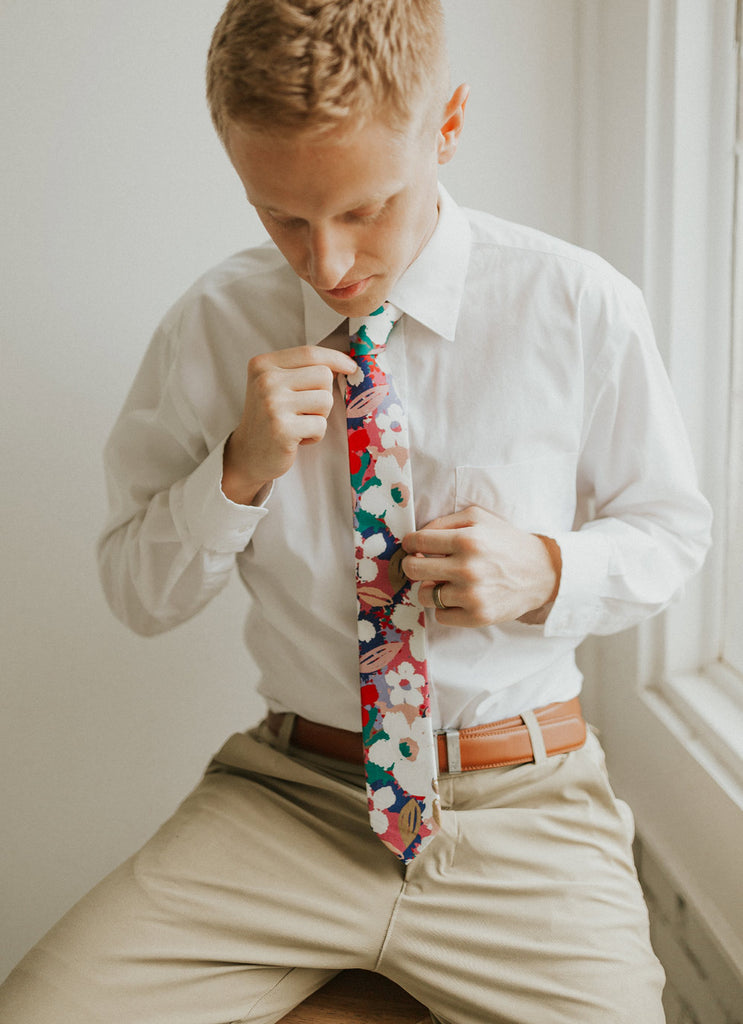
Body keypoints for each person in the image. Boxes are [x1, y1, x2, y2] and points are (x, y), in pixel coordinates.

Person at [0, 1, 712, 1021]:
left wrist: (547, 569)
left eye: (362, 208)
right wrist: (236, 474)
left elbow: (671, 530)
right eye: (281, 217)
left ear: (447, 127)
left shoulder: (575, 305)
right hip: (288, 801)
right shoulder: (211, 326)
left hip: (526, 809)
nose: (327, 263)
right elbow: (136, 593)